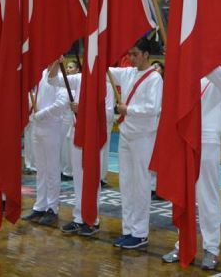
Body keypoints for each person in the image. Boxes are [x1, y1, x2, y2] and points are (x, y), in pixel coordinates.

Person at [161, 66, 221, 270]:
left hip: (207, 143)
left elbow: (205, 66)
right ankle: (183, 245)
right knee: (184, 197)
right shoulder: (193, 80)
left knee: (207, 197)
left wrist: (191, 55)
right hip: (184, 142)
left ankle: (211, 248)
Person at [47, 59, 115, 237]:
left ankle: (92, 220)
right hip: (77, 133)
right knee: (78, 178)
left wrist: (83, 108)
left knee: (91, 178)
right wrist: (55, 61)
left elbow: (108, 114)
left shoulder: (105, 86)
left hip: (94, 137)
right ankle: (79, 217)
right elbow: (53, 80)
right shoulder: (80, 79)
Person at [109, 38, 163, 250]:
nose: (131, 58)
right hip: (125, 134)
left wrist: (128, 110)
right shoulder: (129, 73)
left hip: (143, 137)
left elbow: (153, 108)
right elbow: (107, 72)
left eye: (135, 54)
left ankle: (140, 233)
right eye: (129, 54)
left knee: (141, 185)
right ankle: (128, 229)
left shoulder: (155, 78)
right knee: (126, 183)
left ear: (146, 55)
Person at [20, 66, 69, 226]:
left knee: (52, 169)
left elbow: (62, 103)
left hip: (52, 127)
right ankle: (40, 205)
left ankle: (52, 207)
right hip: (38, 127)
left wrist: (42, 114)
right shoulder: (41, 74)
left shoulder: (60, 77)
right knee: (40, 169)